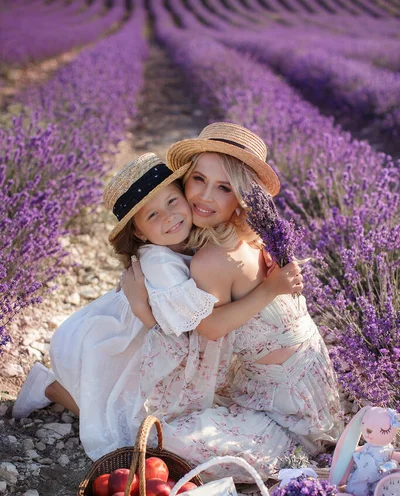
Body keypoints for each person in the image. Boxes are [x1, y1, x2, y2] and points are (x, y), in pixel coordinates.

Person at [13, 152, 303, 472]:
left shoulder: (192, 239)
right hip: (115, 343)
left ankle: (57, 386)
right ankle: (49, 387)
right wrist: (140, 306)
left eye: (172, 202)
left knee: (116, 406)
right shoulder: (160, 264)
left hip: (139, 340)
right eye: (151, 216)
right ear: (138, 233)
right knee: (120, 429)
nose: (168, 217)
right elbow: (186, 336)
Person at [128, 122, 342, 477]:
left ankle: (296, 461)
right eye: (199, 179)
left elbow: (209, 330)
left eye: (223, 187)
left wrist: (142, 310)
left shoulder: (211, 259)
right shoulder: (256, 233)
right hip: (315, 394)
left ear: (242, 197)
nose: (204, 196)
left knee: (166, 438)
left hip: (286, 414)